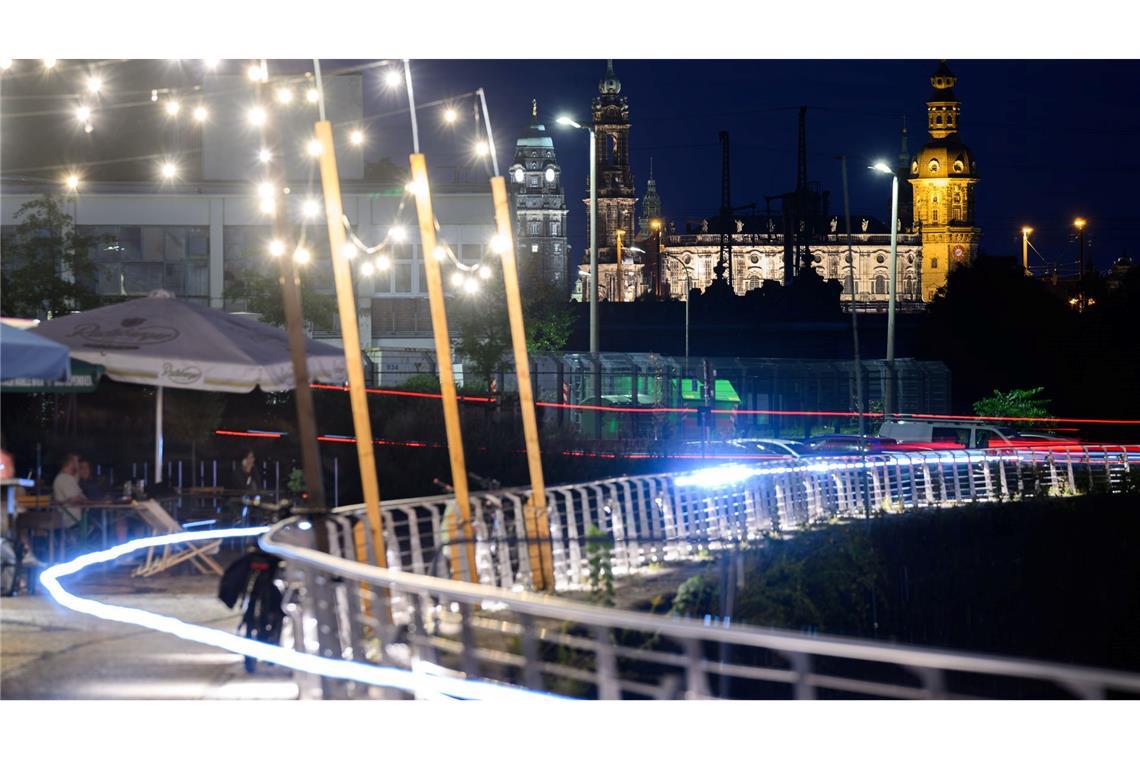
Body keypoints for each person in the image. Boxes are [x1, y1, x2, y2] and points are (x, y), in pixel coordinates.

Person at [51, 452, 87, 528]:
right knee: (103, 520)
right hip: (73, 520)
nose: (78, 464)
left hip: (69, 519)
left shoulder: (63, 478)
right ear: (71, 463)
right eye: (76, 462)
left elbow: (76, 478)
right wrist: (86, 500)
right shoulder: (66, 479)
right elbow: (74, 499)